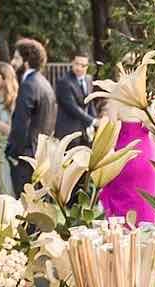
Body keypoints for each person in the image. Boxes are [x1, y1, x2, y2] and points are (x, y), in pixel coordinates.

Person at [96, 82, 155, 226]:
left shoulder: (116, 97)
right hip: (146, 155)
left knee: (121, 214)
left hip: (124, 155)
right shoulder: (146, 97)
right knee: (146, 206)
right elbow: (154, 134)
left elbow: (110, 130)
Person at [6, 37, 57, 197]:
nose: (12, 63)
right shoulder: (45, 83)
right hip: (41, 156)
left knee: (25, 205)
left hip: (26, 158)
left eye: (16, 58)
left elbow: (21, 123)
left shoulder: (28, 85)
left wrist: (13, 154)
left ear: (26, 61)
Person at [52, 53, 96, 143]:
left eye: (83, 65)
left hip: (85, 131)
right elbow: (72, 107)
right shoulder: (64, 81)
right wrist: (92, 121)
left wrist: (95, 122)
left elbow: (90, 103)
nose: (79, 68)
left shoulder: (89, 79)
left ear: (87, 67)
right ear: (72, 63)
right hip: (68, 131)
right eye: (77, 64)